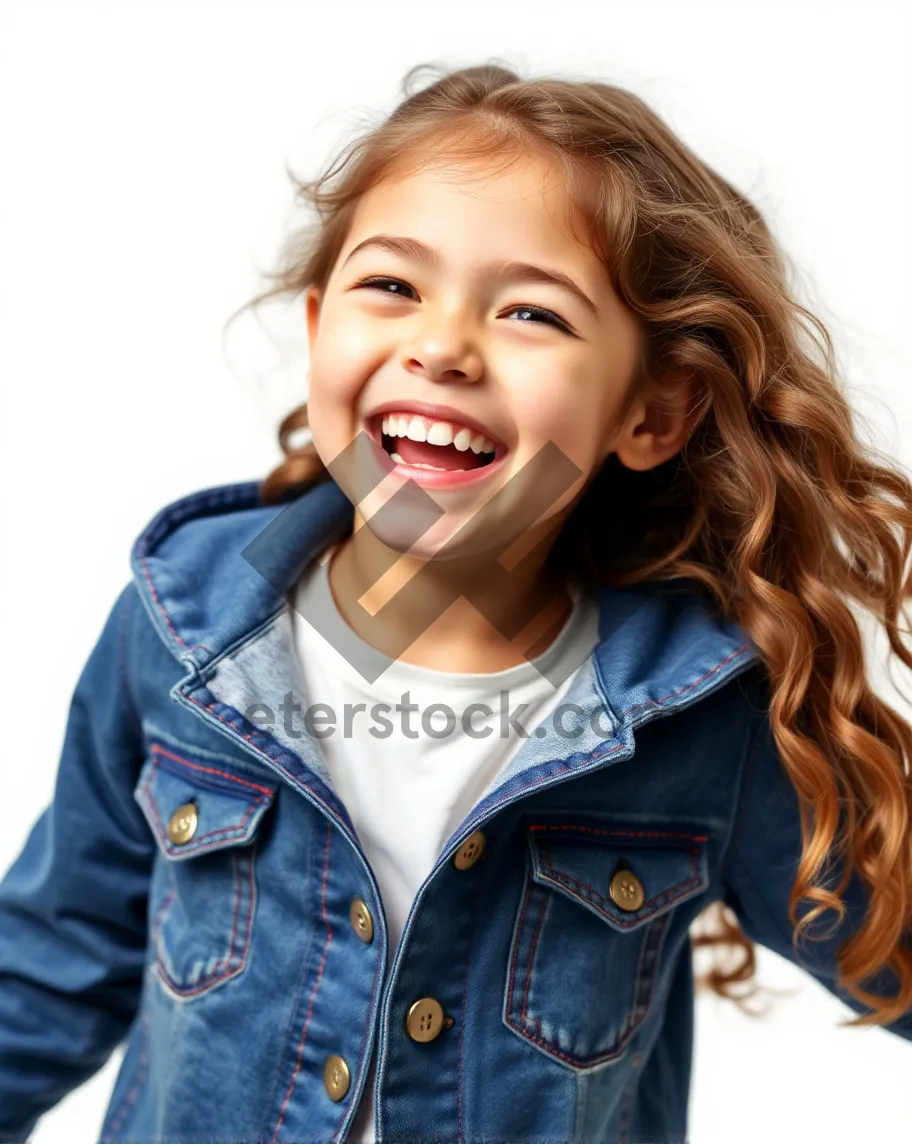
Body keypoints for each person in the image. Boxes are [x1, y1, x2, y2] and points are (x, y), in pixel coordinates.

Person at [1, 59, 911, 1144]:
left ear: (653, 412)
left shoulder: (701, 715)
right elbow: (51, 967)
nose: (440, 346)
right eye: (391, 286)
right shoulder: (179, 624)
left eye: (531, 311)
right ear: (316, 323)